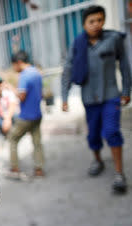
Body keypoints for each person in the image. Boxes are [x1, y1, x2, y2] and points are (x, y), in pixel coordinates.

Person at [61, 5, 131, 194]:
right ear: (84, 24)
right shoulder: (77, 44)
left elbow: (124, 65)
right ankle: (98, 160)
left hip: (111, 96)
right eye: (92, 21)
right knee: (93, 135)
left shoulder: (114, 39)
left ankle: (119, 174)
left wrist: (126, 90)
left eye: (100, 20)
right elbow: (67, 70)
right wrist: (64, 97)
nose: (96, 24)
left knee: (112, 132)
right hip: (89, 98)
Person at [7, 50, 44, 178]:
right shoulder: (36, 73)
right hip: (37, 114)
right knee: (37, 142)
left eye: (13, 65)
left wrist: (11, 89)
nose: (13, 68)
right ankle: (39, 169)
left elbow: (21, 96)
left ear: (18, 63)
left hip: (26, 117)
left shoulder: (24, 75)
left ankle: (14, 168)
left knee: (12, 138)